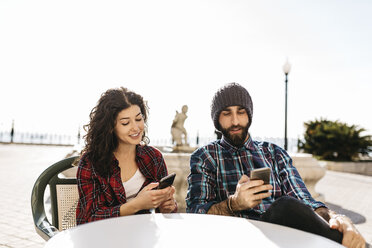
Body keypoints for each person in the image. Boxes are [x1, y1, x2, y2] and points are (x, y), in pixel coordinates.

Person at [186, 83, 365, 248]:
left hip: (286, 240)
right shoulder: (205, 157)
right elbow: (195, 213)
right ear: (217, 120)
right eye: (226, 113)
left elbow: (305, 202)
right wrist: (233, 204)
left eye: (241, 112)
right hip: (235, 240)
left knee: (287, 207)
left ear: (249, 114)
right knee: (284, 207)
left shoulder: (274, 153)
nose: (235, 121)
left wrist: (339, 219)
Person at [76, 87, 177, 225]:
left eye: (138, 119)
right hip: (100, 238)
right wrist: (137, 204)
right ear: (110, 126)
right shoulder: (90, 163)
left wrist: (167, 207)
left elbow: (163, 216)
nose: (136, 128)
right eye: (125, 123)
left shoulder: (153, 157)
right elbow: (88, 219)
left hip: (143, 236)